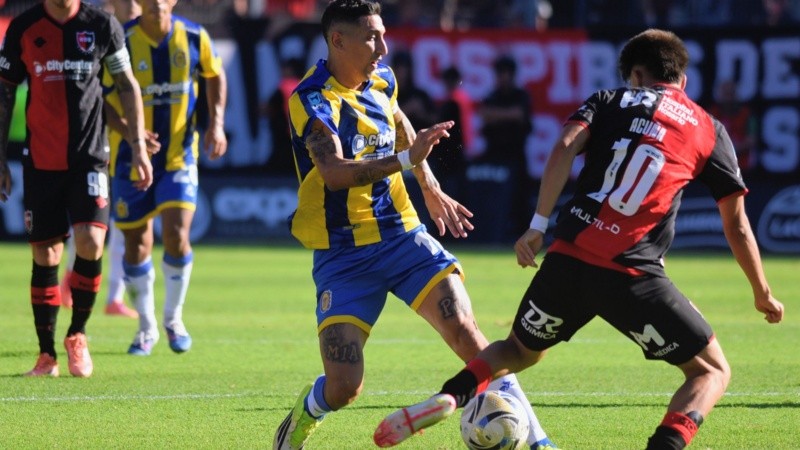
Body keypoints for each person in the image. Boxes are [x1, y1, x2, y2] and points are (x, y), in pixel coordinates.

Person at [375, 28, 786, 449]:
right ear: (681, 77)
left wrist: (537, 225)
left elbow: (565, 145)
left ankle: (451, 394)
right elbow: (735, 225)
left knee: (518, 349)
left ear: (637, 75)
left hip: (568, 257)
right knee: (710, 371)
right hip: (632, 273)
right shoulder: (708, 128)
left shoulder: (608, 100)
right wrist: (762, 292)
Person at [274, 2, 555, 450]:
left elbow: (399, 120)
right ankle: (304, 416)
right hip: (343, 252)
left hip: (403, 236)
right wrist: (408, 161)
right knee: (345, 385)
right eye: (371, 37)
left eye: (383, 35)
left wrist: (428, 184)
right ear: (337, 40)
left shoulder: (383, 79)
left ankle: (539, 441)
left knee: (468, 335)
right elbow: (334, 172)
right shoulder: (311, 99)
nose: (383, 47)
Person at [0, 0, 151, 377]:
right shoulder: (25, 27)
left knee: (90, 242)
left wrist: (137, 147)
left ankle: (78, 335)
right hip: (41, 162)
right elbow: (3, 94)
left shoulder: (101, 25)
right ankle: (46, 355)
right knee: (46, 256)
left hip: (90, 158)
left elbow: (127, 86)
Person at [103, 0, 227, 356]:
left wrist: (215, 124)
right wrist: (131, 133)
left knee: (176, 234)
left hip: (178, 156)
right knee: (136, 245)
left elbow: (216, 74)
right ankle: (146, 327)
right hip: (129, 159)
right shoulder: (121, 39)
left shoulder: (193, 36)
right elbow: (99, 98)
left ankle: (173, 319)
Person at [60, 0, 144, 319]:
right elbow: (97, 95)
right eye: (130, 2)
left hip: (129, 147)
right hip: (98, 147)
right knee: (90, 219)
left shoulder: (139, 37)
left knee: (122, 223)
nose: (136, 7)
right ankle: (71, 278)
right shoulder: (102, 32)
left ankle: (114, 295)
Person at [475, 55, 533, 242]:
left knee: (520, 199)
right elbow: (484, 115)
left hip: (516, 156)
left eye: (507, 73)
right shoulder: (492, 95)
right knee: (494, 198)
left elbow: (519, 114)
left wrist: (497, 115)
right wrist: (507, 115)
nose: (504, 77)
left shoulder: (521, 95)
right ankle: (494, 235)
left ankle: (523, 237)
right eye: (500, 73)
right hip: (495, 156)